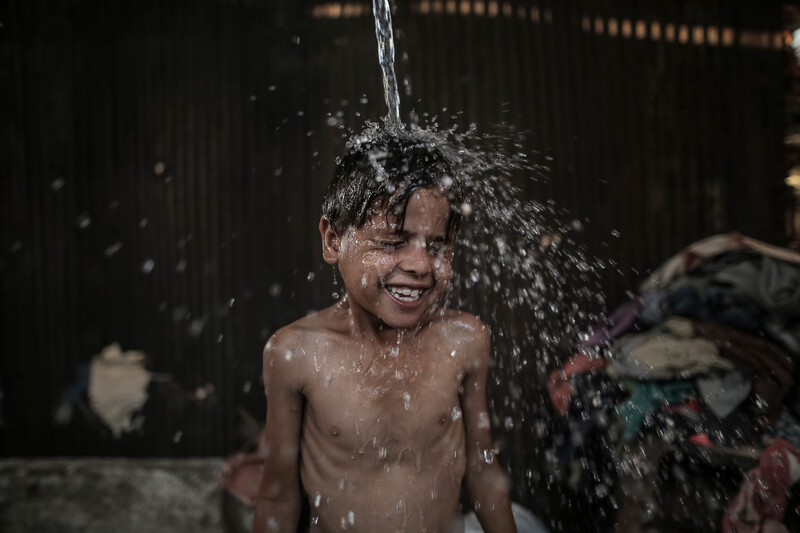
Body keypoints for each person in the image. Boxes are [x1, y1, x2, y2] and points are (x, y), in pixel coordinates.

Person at [253, 130, 518, 533]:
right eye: (393, 243)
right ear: (333, 240)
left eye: (437, 246)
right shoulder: (297, 353)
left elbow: (484, 474)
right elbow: (278, 493)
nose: (420, 266)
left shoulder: (463, 341)